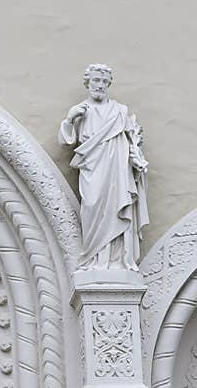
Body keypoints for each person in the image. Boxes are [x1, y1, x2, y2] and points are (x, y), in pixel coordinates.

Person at [59, 64, 149, 270]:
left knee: (116, 208)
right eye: (95, 81)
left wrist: (137, 160)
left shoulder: (119, 111)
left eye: (103, 82)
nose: (99, 86)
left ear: (108, 84)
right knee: (91, 205)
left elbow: (131, 141)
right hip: (92, 168)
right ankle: (93, 258)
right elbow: (66, 141)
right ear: (88, 83)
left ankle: (115, 260)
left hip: (116, 169)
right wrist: (70, 119)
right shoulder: (81, 111)